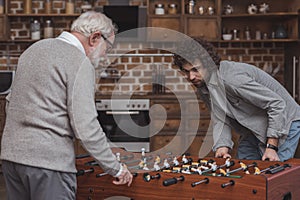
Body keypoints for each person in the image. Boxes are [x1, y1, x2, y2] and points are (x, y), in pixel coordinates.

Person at [1, 11, 133, 200]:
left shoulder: (33, 49)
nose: (105, 54)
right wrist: (115, 168)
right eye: (108, 47)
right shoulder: (80, 63)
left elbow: (10, 102)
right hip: (49, 164)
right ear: (95, 37)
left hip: (12, 159)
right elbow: (85, 127)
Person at [173, 37, 300, 162]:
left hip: (285, 122)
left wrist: (272, 146)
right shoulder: (203, 88)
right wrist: (222, 146)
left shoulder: (232, 79)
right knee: (243, 173)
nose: (191, 77)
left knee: (273, 175)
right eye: (186, 71)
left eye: (195, 69)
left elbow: (277, 104)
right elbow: (220, 119)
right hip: (252, 129)